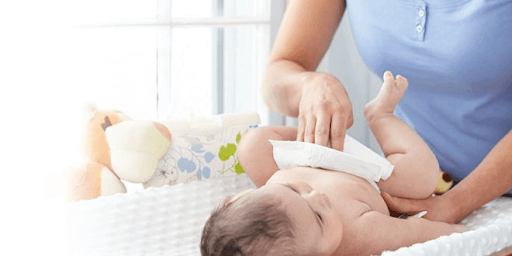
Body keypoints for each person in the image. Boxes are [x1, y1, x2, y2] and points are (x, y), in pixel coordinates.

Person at [261, 0, 512, 224]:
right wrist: (309, 85)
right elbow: (278, 73)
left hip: (486, 197)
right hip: (422, 187)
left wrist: (457, 203)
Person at [201, 72, 465, 256]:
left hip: (319, 154)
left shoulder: (272, 199)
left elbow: (280, 202)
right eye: (318, 218)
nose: (318, 196)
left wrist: (310, 149)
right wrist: (456, 230)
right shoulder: (357, 237)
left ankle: (315, 135)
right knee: (421, 178)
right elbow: (414, 232)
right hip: (373, 182)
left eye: (295, 190)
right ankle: (380, 116)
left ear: (236, 197)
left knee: (253, 145)